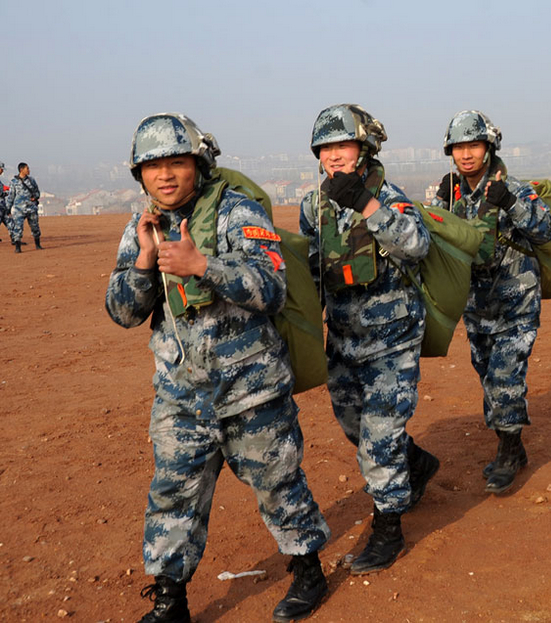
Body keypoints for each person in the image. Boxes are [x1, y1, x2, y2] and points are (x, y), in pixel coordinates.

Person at [106, 113, 331, 623]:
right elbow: (121, 312)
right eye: (152, 166)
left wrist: (202, 266)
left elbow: (272, 287)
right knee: (173, 494)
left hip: (251, 388)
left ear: (198, 163)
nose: (164, 175)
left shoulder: (236, 210)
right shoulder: (142, 225)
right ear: (139, 174)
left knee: (277, 481)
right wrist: (144, 263)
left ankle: (308, 568)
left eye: (176, 163)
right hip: (181, 393)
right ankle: (170, 600)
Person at [299, 103, 437, 575]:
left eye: (343, 145)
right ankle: (415, 463)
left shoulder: (388, 195)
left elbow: (417, 244)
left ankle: (389, 529)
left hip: (392, 338)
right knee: (355, 428)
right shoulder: (312, 206)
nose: (334, 156)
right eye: (326, 148)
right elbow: (312, 270)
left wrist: (367, 204)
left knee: (379, 440)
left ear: (364, 148)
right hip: (343, 338)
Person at [429, 110, 551, 494]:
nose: (466, 154)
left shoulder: (510, 185)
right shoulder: (448, 192)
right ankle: (511, 442)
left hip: (516, 300)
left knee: (504, 377)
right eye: (459, 147)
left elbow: (546, 229)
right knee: (488, 377)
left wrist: (512, 204)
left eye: (473, 145)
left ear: (489, 147)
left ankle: (509, 449)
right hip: (477, 306)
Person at [8, 162, 42, 253]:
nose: (29, 170)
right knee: (18, 228)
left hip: (31, 208)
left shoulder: (32, 180)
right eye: (27, 168)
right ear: (21, 170)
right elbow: (11, 196)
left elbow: (37, 192)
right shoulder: (13, 182)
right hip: (18, 209)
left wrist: (35, 197)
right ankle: (18, 247)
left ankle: (38, 244)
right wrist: (8, 208)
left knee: (35, 227)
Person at [0, 162, 10, 241]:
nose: (2, 171)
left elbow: (3, 187)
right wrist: (6, 193)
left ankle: (15, 239)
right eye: (1, 169)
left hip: (2, 206)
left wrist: (9, 188)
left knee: (9, 222)